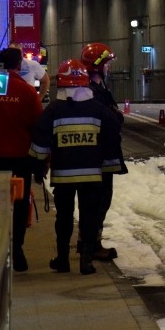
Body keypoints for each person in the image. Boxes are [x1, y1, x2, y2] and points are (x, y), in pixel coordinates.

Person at [29, 58, 122, 274]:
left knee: (64, 217)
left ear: (61, 83)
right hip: (91, 176)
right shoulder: (98, 109)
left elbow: (40, 138)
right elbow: (113, 132)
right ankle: (86, 262)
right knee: (89, 216)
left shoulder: (53, 109)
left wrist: (37, 165)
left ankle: (63, 260)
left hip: (63, 176)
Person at [0, 47, 44, 271]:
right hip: (20, 159)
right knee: (20, 202)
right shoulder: (26, 92)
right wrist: (40, 163)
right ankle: (17, 248)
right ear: (19, 65)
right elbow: (37, 127)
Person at [80, 42, 127, 260]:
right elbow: (112, 120)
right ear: (97, 66)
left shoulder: (98, 89)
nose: (109, 67)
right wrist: (115, 115)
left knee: (98, 201)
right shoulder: (92, 92)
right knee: (97, 202)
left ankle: (88, 241)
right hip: (99, 157)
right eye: (106, 63)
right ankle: (91, 244)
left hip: (102, 156)